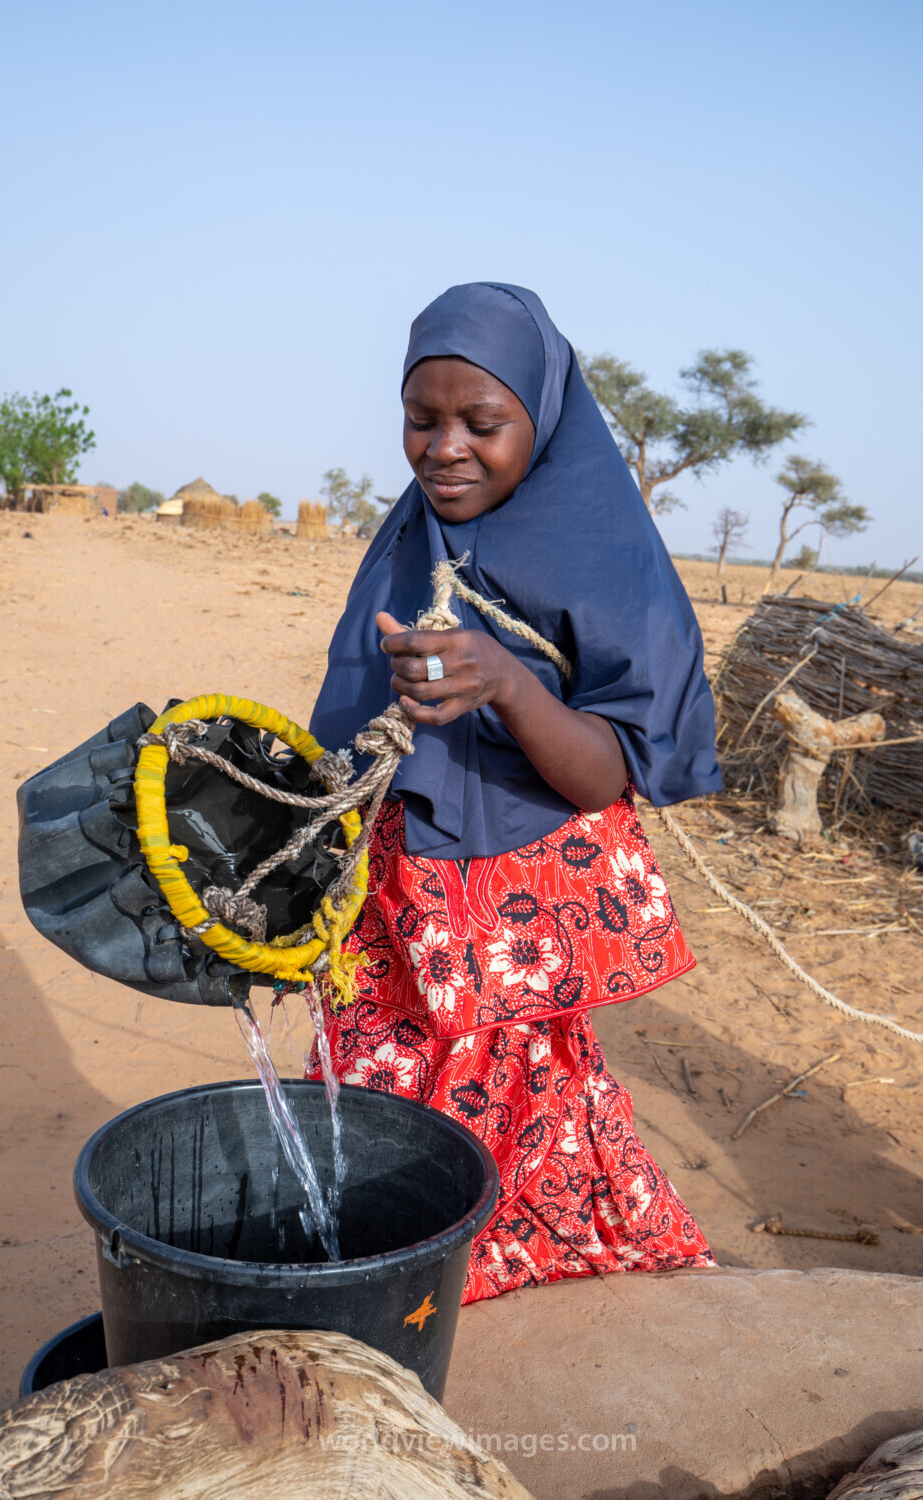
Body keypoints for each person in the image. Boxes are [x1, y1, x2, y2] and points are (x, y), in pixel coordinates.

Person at [306, 282, 722, 1302]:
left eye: (480, 424)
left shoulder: (609, 559)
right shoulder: (411, 538)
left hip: (516, 925)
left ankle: (453, 1287)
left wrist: (505, 680)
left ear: (541, 420)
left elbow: (603, 772)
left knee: (514, 1116)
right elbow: (354, 730)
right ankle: (398, 1278)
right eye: (420, 419)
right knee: (369, 1109)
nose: (444, 447)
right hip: (400, 910)